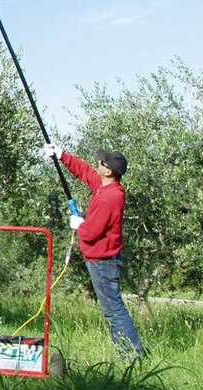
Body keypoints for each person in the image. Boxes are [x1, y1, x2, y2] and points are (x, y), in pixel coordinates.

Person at [43, 143, 144, 359]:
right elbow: (85, 173)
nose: (97, 164)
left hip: (103, 262)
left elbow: (91, 232)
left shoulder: (110, 197)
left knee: (114, 310)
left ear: (108, 171)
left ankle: (133, 356)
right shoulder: (105, 186)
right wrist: (62, 155)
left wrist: (79, 224)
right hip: (101, 259)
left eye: (101, 162)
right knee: (112, 309)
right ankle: (129, 354)